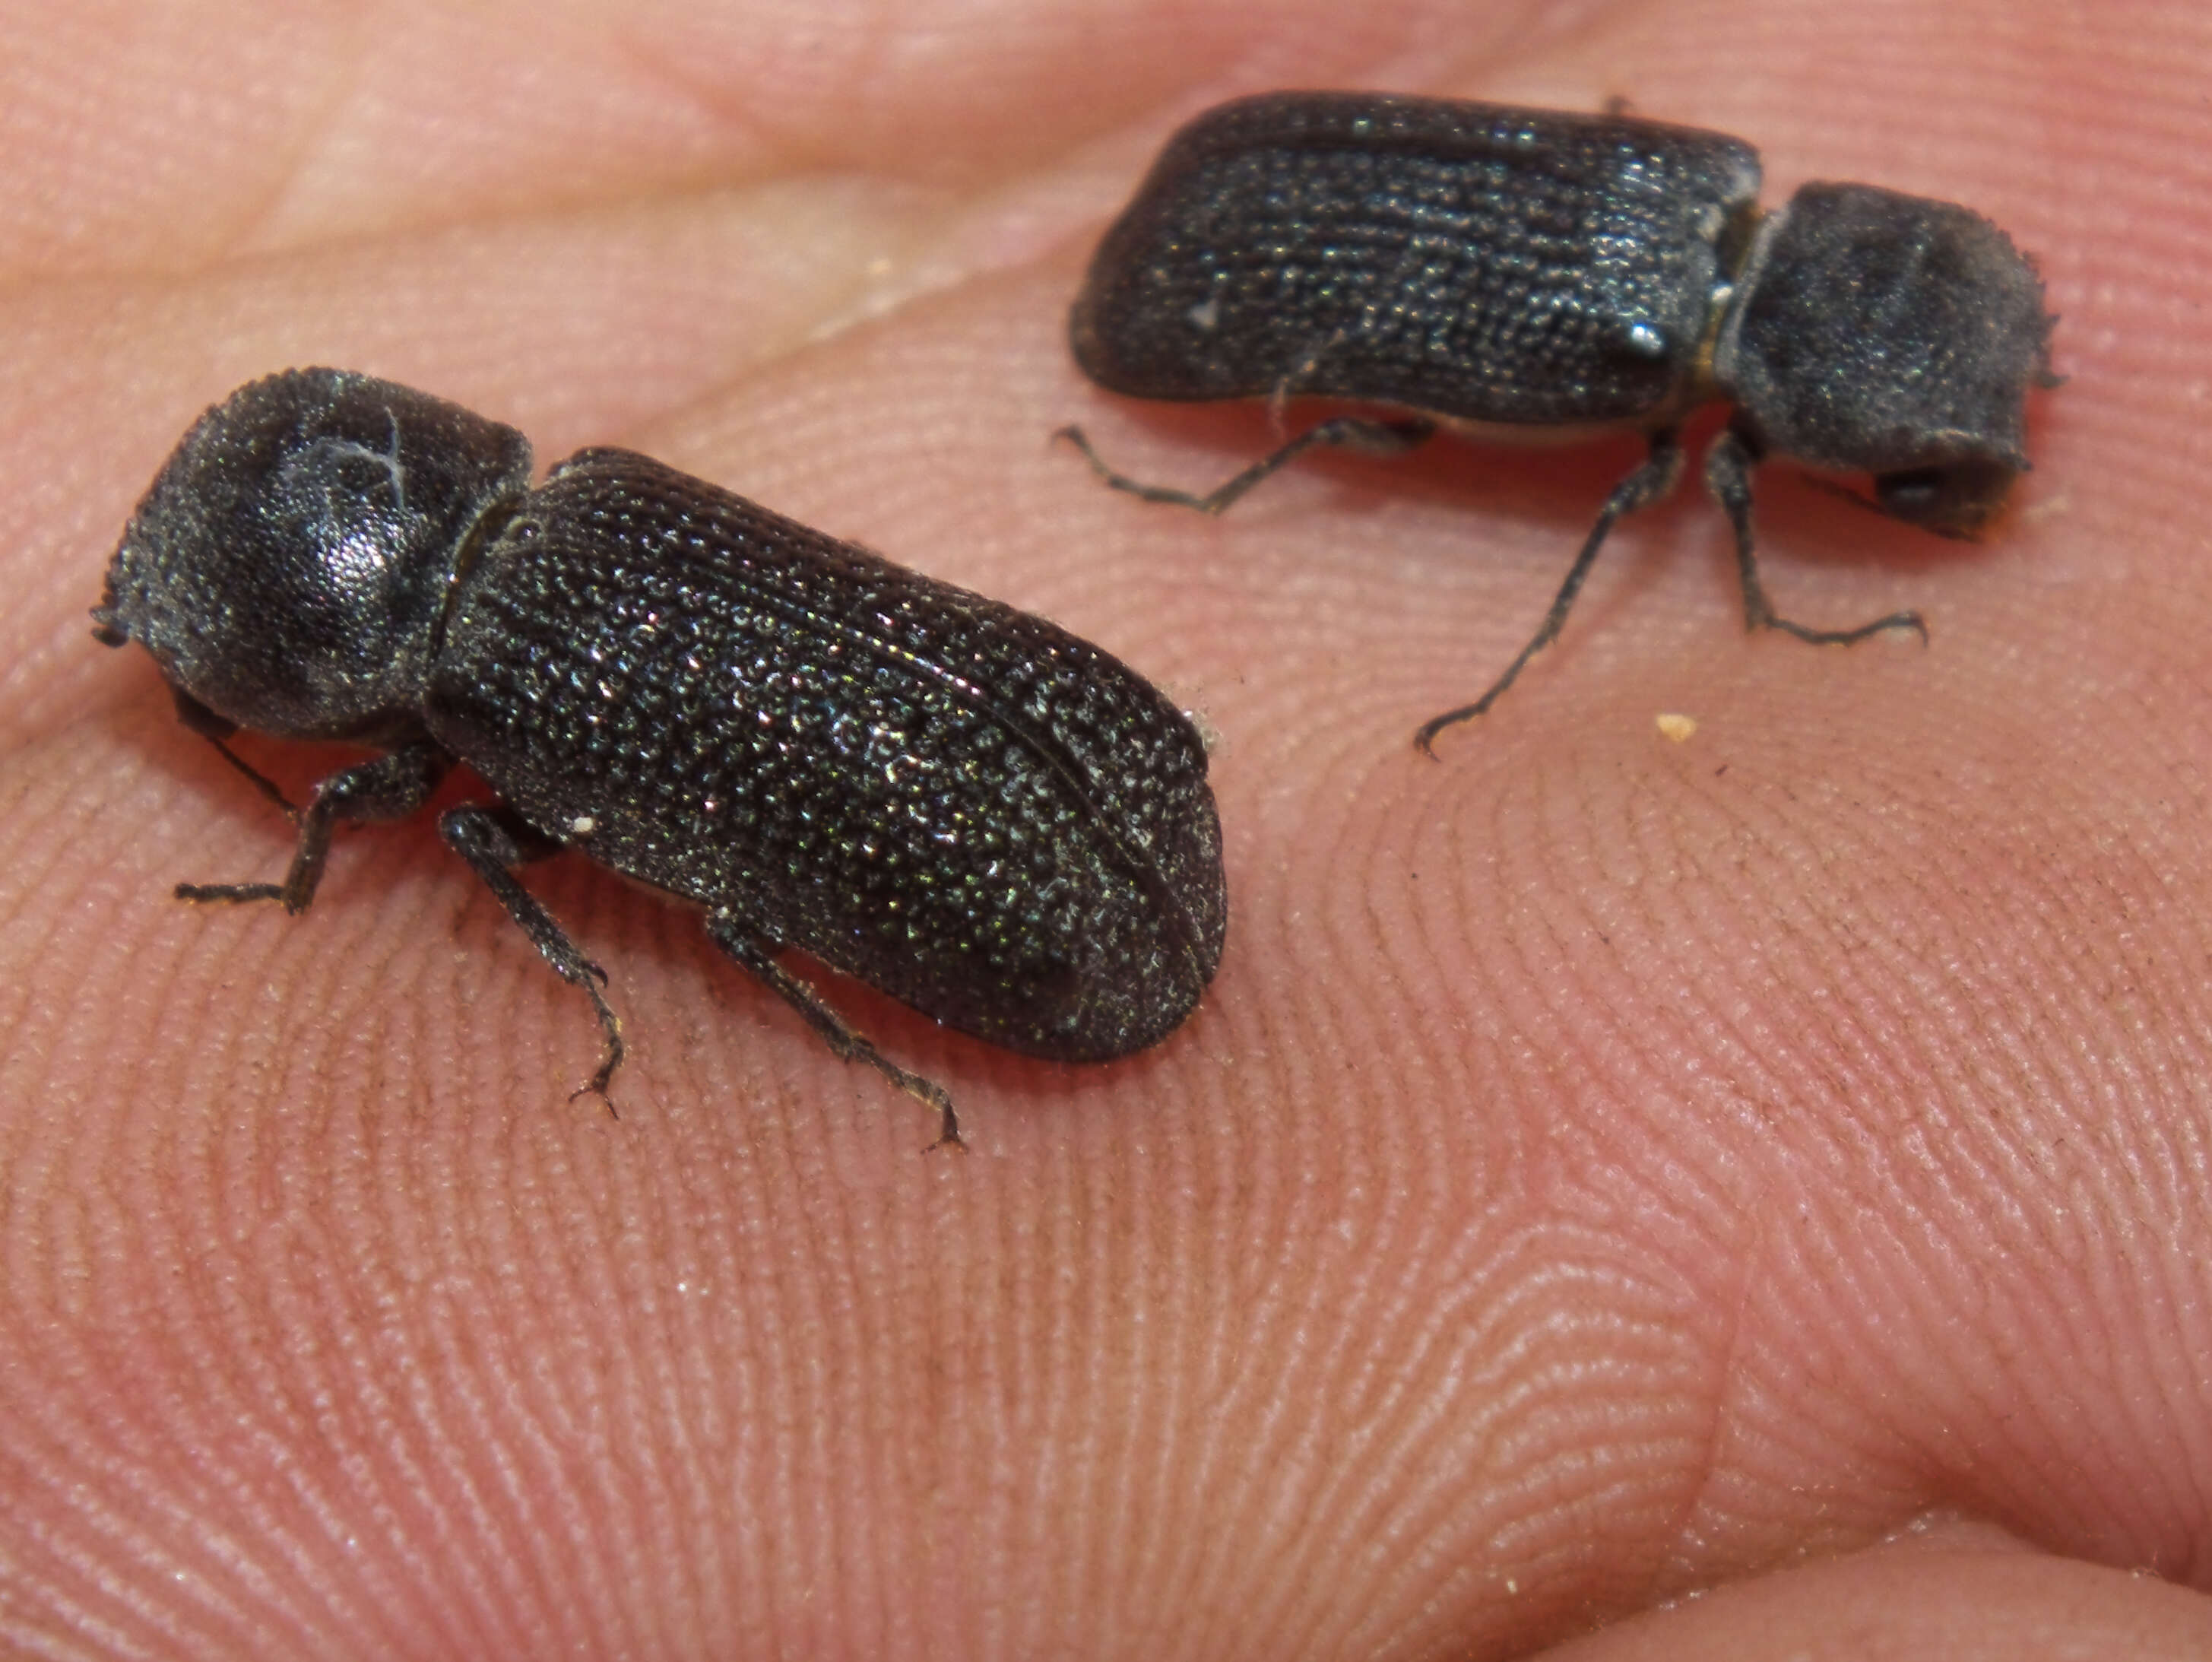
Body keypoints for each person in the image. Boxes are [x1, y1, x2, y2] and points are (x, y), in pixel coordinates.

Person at [6, 1, 2207, 1654]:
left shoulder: (458, 704)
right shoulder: (577, 505)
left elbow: (493, 837)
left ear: (313, 670)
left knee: (644, 858)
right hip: (1044, 798)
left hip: (1011, 872)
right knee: (688, 846)